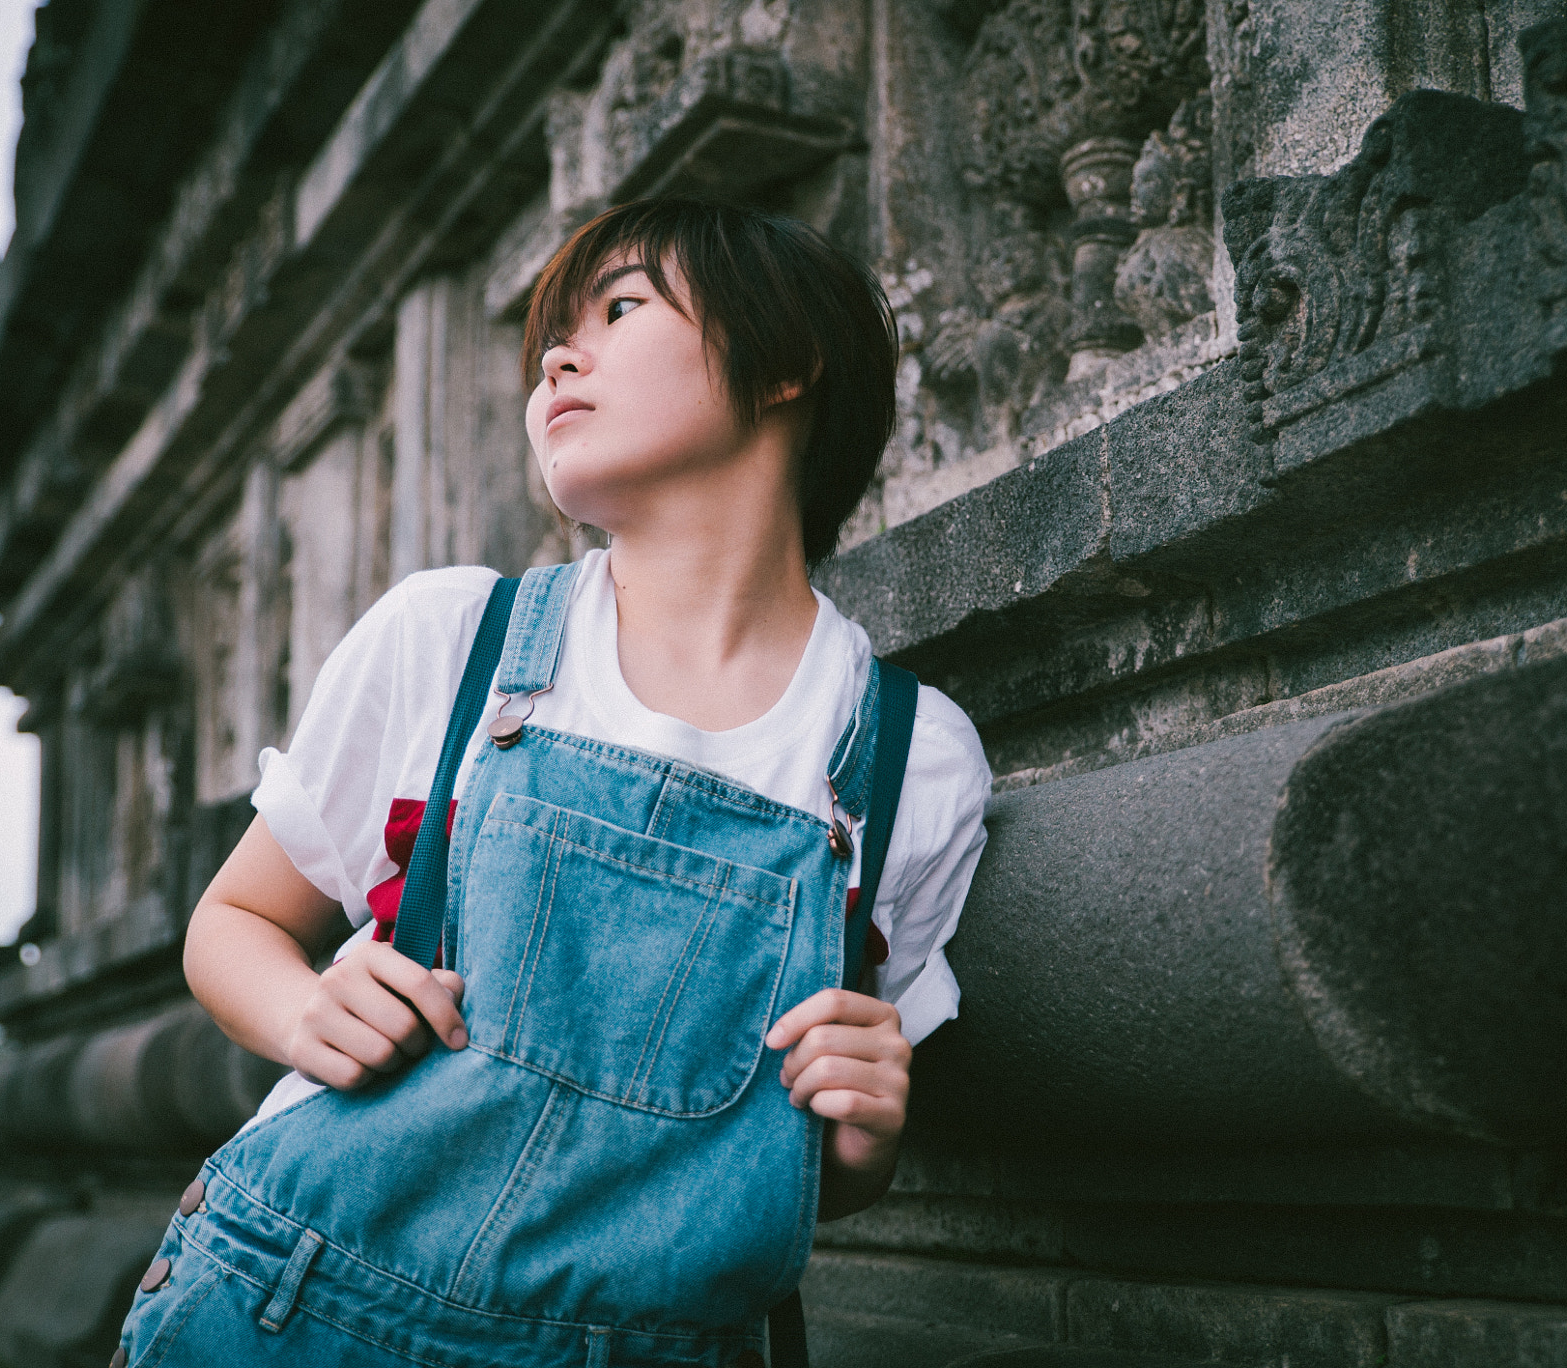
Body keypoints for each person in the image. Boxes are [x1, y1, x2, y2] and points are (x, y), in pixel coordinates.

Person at [115, 198, 991, 1367]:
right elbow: (233, 922)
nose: (557, 361)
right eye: (548, 346)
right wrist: (302, 1010)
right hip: (297, 1302)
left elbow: (794, 1181)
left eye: (620, 308)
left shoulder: (909, 759)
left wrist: (865, 1142)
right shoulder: (452, 637)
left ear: (788, 364)